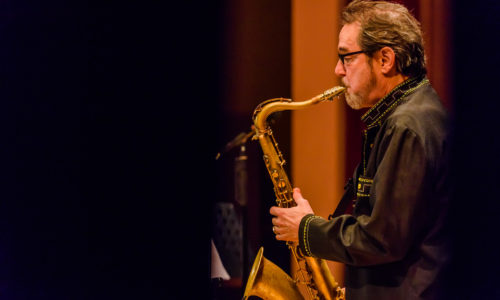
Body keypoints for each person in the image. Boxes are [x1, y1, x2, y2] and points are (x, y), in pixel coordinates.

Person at [269, 1, 450, 299]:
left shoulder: (406, 125)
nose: (337, 70)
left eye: (346, 57)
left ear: (385, 60)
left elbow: (382, 240)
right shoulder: (411, 113)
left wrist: (306, 229)